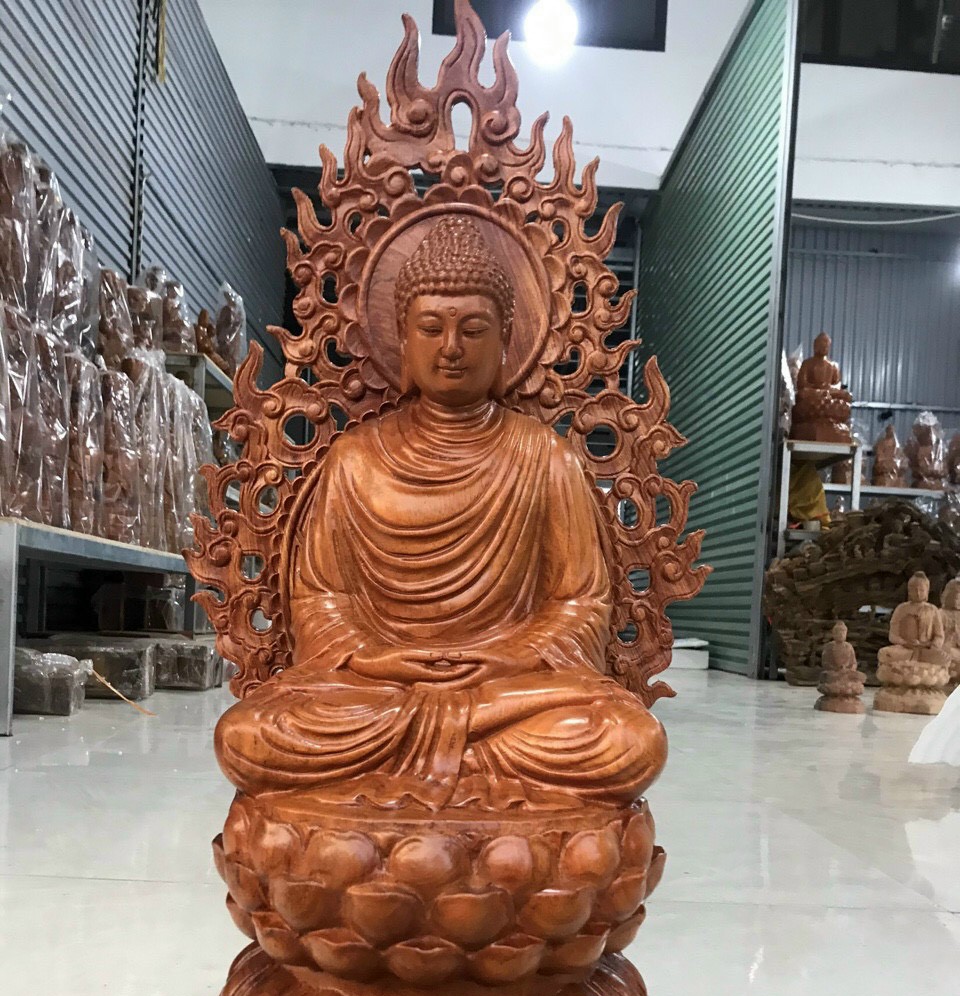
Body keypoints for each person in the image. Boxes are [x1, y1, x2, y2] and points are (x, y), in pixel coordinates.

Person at [215, 216, 666, 811]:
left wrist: (512, 656)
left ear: (507, 341)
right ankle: (468, 761)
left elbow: (580, 604)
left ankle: (431, 757)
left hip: (506, 689)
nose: (451, 348)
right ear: (402, 340)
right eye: (431, 328)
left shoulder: (545, 457)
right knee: (248, 735)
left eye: (473, 329)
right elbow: (320, 600)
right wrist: (373, 657)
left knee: (629, 740)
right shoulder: (354, 459)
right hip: (378, 691)